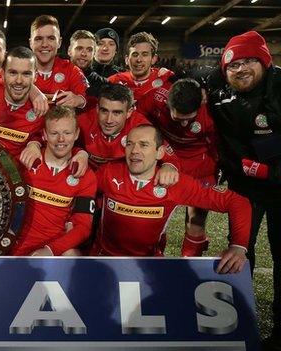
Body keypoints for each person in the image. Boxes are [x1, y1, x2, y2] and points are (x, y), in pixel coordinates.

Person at [91, 124, 250, 275]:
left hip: (148, 266)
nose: (134, 151)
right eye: (130, 144)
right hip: (103, 260)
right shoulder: (108, 173)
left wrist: (238, 246)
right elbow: (76, 190)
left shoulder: (176, 183)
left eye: (144, 145)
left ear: (159, 153)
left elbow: (237, 202)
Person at [206, 31, 281, 349]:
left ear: (265, 61)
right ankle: (237, 325)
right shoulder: (217, 88)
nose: (241, 69)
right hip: (244, 187)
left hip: (279, 185)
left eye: (250, 60)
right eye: (234, 64)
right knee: (238, 252)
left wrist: (267, 170)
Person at [136, 78, 218, 257]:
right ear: (167, 104)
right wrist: (156, 140)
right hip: (165, 159)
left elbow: (219, 147)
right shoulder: (156, 96)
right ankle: (153, 259)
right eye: (177, 118)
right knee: (154, 216)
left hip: (200, 165)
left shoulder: (213, 111)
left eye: (189, 119)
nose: (183, 124)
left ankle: (189, 265)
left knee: (196, 220)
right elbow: (137, 116)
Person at [11, 106, 97, 256]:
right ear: (44, 134)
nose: (61, 139)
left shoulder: (85, 175)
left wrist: (51, 250)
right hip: (14, 246)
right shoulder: (25, 161)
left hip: (53, 249)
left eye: (67, 133)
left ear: (76, 134)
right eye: (54, 133)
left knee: (72, 255)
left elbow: (83, 227)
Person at [76, 84, 180, 184]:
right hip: (87, 179)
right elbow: (62, 143)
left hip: (121, 184)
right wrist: (80, 152)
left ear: (129, 112)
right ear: (97, 109)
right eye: (104, 111)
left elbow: (168, 155)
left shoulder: (141, 127)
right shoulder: (83, 121)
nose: (109, 120)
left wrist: (169, 166)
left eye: (117, 113)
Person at [28, 15, 88, 109]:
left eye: (51, 38)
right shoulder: (18, 67)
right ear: (31, 43)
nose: (44, 44)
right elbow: (1, 81)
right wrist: (30, 89)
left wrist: (78, 100)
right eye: (39, 39)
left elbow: (86, 98)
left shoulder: (71, 70)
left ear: (59, 42)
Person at [108, 32, 173, 101]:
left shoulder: (167, 82)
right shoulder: (113, 82)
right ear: (127, 60)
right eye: (135, 54)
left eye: (144, 54)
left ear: (153, 59)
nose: (139, 60)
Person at [67, 29, 109, 100]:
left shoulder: (103, 84)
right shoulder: (54, 75)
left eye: (89, 50)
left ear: (94, 53)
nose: (84, 54)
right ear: (69, 51)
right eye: (79, 48)